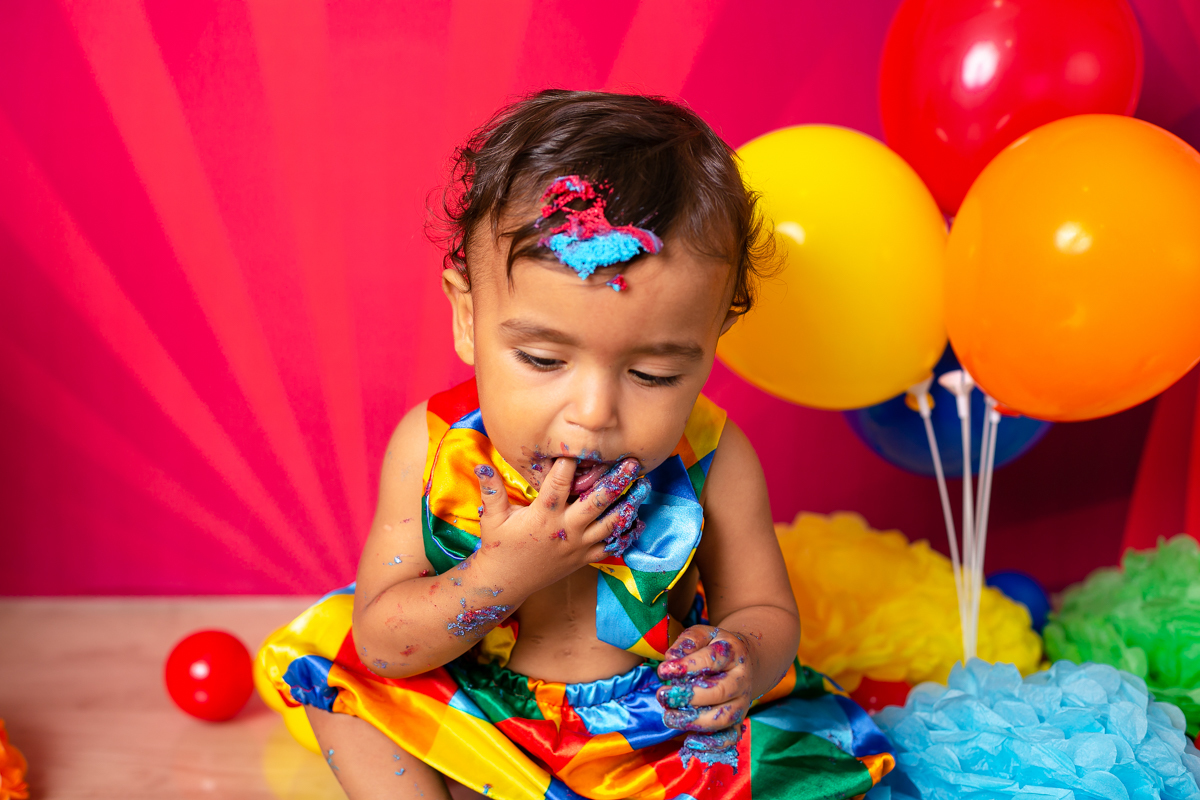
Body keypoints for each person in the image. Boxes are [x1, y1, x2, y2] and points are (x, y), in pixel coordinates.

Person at [257, 90, 894, 800]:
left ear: (713, 343)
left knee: (803, 760)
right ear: (469, 318)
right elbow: (386, 642)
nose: (593, 414)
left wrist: (737, 655)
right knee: (342, 683)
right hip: (485, 715)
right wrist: (507, 569)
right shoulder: (435, 447)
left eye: (653, 373)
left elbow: (768, 614)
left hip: (653, 730)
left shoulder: (715, 458)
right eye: (542, 360)